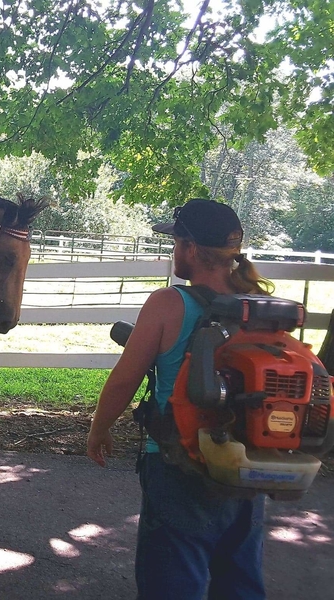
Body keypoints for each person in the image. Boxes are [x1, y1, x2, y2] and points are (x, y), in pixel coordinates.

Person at [87, 199, 274, 599]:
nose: (173, 250)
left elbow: (124, 380)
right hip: (247, 464)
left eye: (175, 241)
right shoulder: (258, 305)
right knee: (240, 581)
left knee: (171, 583)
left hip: (179, 464)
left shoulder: (169, 302)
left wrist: (99, 428)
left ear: (189, 248)